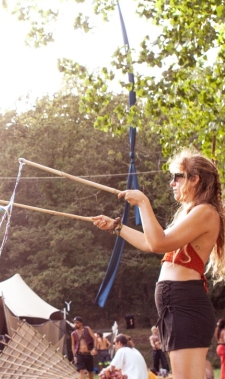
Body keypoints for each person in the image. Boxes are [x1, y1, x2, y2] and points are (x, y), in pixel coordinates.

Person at [93, 149, 224, 379]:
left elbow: (158, 242)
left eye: (177, 176)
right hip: (177, 305)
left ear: (195, 179)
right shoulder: (195, 212)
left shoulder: (205, 212)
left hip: (185, 305)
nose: (172, 182)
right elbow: (149, 241)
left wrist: (143, 202)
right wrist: (117, 228)